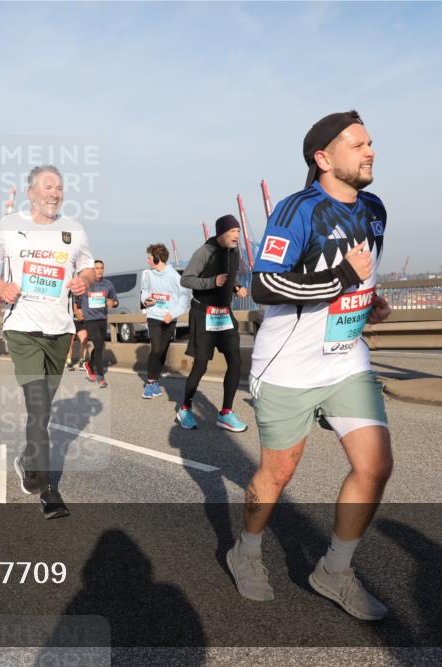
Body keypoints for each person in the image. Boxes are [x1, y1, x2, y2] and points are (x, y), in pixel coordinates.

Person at [227, 110, 393, 621]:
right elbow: (264, 285)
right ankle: (247, 550)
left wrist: (369, 298)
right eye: (357, 145)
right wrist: (344, 277)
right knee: (276, 476)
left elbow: (356, 278)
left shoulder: (375, 210)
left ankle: (334, 570)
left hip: (346, 360)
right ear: (324, 158)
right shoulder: (297, 209)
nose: (370, 152)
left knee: (375, 465)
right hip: (288, 368)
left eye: (370, 143)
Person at [0, 164, 95, 520]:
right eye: (47, 187)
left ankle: (27, 460)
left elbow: (88, 267)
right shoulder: (8, 227)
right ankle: (47, 489)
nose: (54, 193)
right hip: (22, 328)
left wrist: (84, 281)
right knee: (40, 405)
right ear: (31, 193)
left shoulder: (73, 231)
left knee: (40, 412)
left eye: (59, 188)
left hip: (60, 330)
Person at [177, 215, 248, 431]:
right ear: (221, 233)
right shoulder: (204, 252)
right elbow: (186, 279)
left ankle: (226, 412)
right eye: (233, 231)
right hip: (203, 313)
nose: (237, 235)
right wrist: (211, 282)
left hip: (224, 314)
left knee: (235, 361)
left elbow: (229, 275)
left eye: (238, 231)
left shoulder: (234, 251)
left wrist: (235, 287)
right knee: (201, 365)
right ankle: (185, 408)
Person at [140, 243, 188, 398]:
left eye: (149, 258)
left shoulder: (174, 276)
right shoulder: (148, 274)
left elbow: (184, 298)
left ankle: (154, 381)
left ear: (156, 258)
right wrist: (146, 300)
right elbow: (144, 291)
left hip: (168, 319)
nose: (147, 261)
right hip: (153, 317)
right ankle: (150, 383)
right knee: (155, 349)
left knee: (162, 351)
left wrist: (172, 313)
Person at [77, 259, 118, 388]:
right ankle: (100, 375)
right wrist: (77, 312)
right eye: (96, 268)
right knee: (99, 343)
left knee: (99, 346)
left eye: (101, 268)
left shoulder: (108, 284)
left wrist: (113, 303)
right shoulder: (85, 284)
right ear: (92, 270)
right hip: (89, 320)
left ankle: (89, 364)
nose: (99, 270)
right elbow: (76, 301)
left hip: (102, 319)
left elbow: (115, 302)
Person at [65, 299, 90, 372]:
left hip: (81, 322)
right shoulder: (70, 295)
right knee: (71, 343)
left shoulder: (84, 294)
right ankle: (69, 362)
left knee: (84, 340)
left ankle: (82, 362)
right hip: (71, 321)